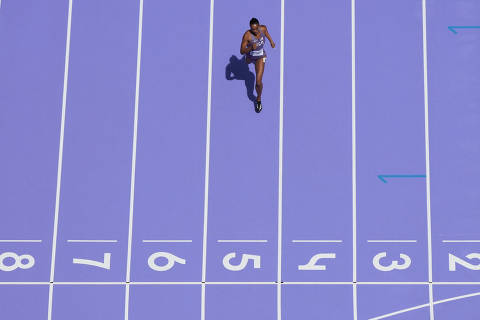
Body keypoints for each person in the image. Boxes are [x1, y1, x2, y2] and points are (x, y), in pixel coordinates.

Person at [240, 17, 275, 113]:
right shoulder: (247, 35)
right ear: (250, 28)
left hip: (260, 56)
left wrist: (271, 41)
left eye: (256, 29)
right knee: (246, 61)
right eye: (252, 29)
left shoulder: (263, 28)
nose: (254, 31)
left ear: (259, 26)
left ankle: (258, 99)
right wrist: (250, 48)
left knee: (258, 82)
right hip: (250, 56)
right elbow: (242, 51)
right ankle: (249, 60)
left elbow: (267, 34)